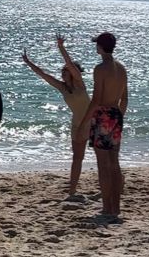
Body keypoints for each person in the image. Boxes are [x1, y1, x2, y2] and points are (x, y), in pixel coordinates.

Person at [22, 35, 90, 199]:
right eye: (62, 72)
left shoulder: (80, 83)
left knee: (103, 156)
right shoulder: (62, 88)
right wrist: (28, 62)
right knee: (77, 158)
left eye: (66, 71)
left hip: (92, 122)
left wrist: (61, 47)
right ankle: (72, 192)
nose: (63, 73)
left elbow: (69, 63)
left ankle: (113, 183)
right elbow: (43, 74)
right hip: (77, 124)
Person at [81, 32, 127, 221]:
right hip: (116, 114)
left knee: (103, 165)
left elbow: (97, 99)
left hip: (103, 115)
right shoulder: (121, 68)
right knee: (114, 164)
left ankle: (107, 207)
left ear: (100, 47)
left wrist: (85, 121)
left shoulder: (100, 68)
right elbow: (125, 99)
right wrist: (118, 119)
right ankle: (115, 207)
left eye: (97, 45)